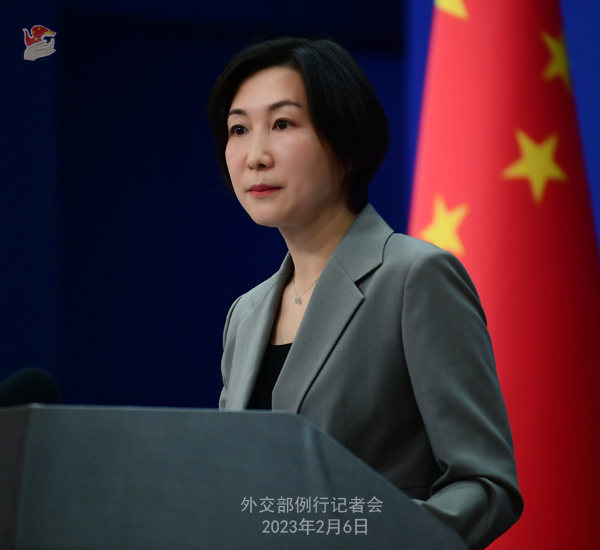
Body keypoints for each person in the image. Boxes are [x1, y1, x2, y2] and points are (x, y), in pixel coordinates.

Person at [207, 37, 523, 549]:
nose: (255, 156)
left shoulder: (415, 277)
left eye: (283, 124)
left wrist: (362, 535)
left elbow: (486, 486)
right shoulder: (245, 315)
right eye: (238, 129)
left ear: (349, 147)